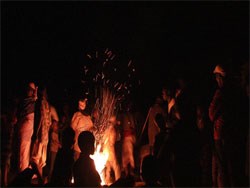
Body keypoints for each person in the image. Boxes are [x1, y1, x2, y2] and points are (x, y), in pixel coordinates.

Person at [209, 64, 248, 187]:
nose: (216, 80)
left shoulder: (220, 93)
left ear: (221, 77)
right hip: (233, 133)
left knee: (223, 169)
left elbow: (211, 114)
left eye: (217, 77)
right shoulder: (236, 91)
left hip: (221, 135)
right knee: (233, 168)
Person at [31, 86, 59, 179]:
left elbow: (40, 119)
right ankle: (40, 178)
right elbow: (50, 121)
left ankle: (38, 178)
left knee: (35, 158)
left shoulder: (40, 103)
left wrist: (35, 132)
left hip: (40, 135)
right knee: (42, 160)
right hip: (45, 137)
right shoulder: (48, 105)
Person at [16, 82, 38, 172]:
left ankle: (25, 170)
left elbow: (35, 99)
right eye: (30, 89)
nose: (31, 91)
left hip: (29, 127)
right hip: (25, 126)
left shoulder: (30, 100)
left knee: (27, 149)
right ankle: (22, 171)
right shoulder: (26, 101)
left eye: (32, 90)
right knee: (24, 149)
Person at [71, 97, 94, 161]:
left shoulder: (88, 117)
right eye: (80, 105)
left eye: (83, 105)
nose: (80, 106)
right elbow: (72, 128)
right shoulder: (77, 115)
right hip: (78, 144)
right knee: (77, 160)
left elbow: (91, 128)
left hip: (86, 145)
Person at [102, 115, 121, 184]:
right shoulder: (112, 129)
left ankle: (106, 181)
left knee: (108, 167)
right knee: (116, 166)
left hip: (105, 150)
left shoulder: (106, 129)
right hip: (110, 150)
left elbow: (103, 140)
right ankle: (118, 180)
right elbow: (112, 142)